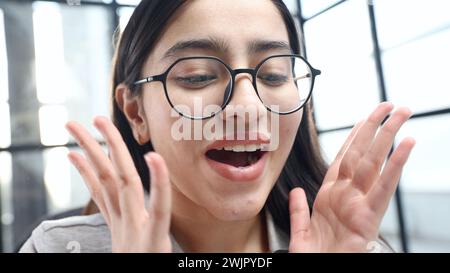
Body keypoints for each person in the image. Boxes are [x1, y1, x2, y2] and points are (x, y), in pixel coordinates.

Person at [20, 0, 415, 253]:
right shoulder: (56, 247)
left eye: (275, 75)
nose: (247, 107)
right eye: (196, 76)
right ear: (136, 114)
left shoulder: (352, 247)